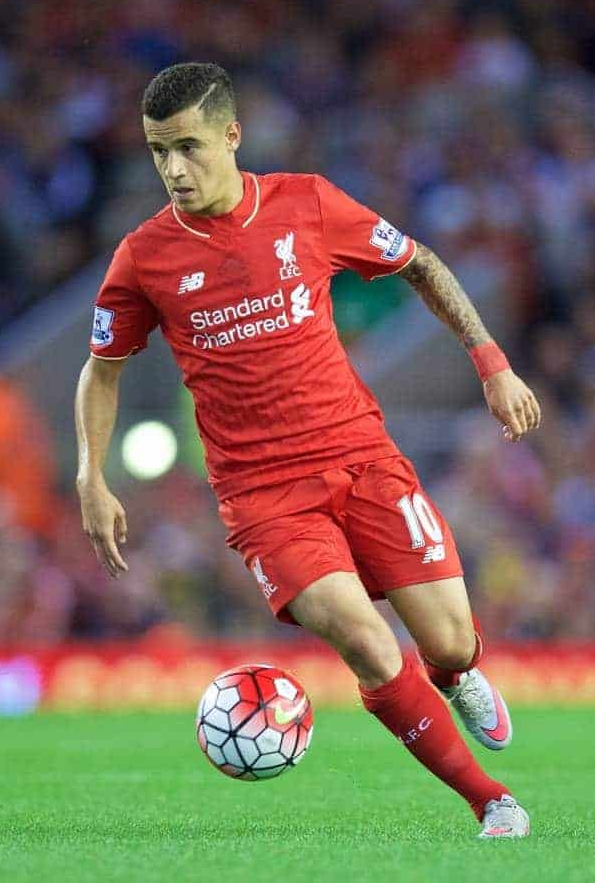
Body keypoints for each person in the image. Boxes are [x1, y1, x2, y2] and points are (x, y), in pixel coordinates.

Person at [74, 63, 540, 838]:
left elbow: (419, 262)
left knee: (450, 639)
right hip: (263, 496)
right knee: (364, 638)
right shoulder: (144, 256)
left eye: (188, 147)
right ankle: (490, 798)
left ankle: (455, 674)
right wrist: (91, 473)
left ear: (232, 135)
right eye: (158, 152)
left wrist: (491, 362)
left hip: (363, 457)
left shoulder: (307, 204)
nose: (173, 169)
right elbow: (102, 369)